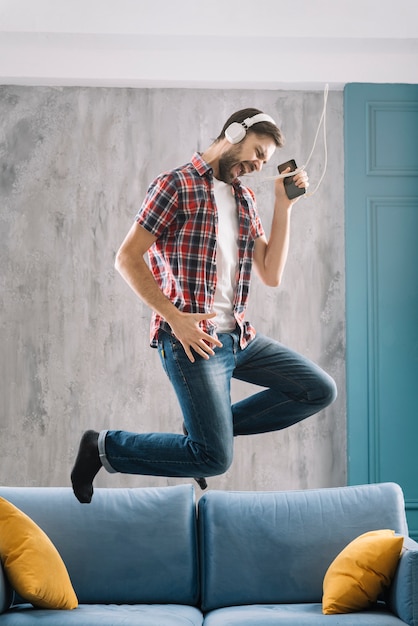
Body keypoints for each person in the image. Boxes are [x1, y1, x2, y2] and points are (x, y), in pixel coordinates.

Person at [71, 108, 337, 503]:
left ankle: (204, 428)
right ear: (234, 132)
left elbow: (270, 272)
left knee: (318, 389)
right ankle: (102, 447)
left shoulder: (244, 197)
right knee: (213, 457)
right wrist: (174, 319)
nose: (258, 164)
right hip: (192, 339)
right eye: (258, 152)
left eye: (264, 159)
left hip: (240, 338)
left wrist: (284, 205)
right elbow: (126, 257)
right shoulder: (175, 185)